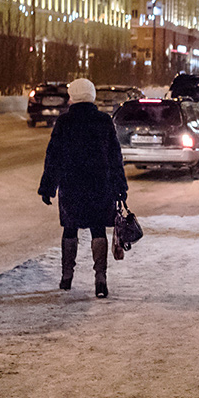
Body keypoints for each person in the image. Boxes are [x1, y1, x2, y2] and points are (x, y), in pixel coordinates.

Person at [37, 78, 129, 298]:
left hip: (72, 186)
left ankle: (66, 277)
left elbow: (54, 157)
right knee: (98, 229)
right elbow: (115, 157)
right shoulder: (104, 121)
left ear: (73, 96)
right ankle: (100, 280)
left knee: (70, 229)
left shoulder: (64, 122)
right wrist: (120, 187)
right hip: (100, 185)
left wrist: (48, 187)